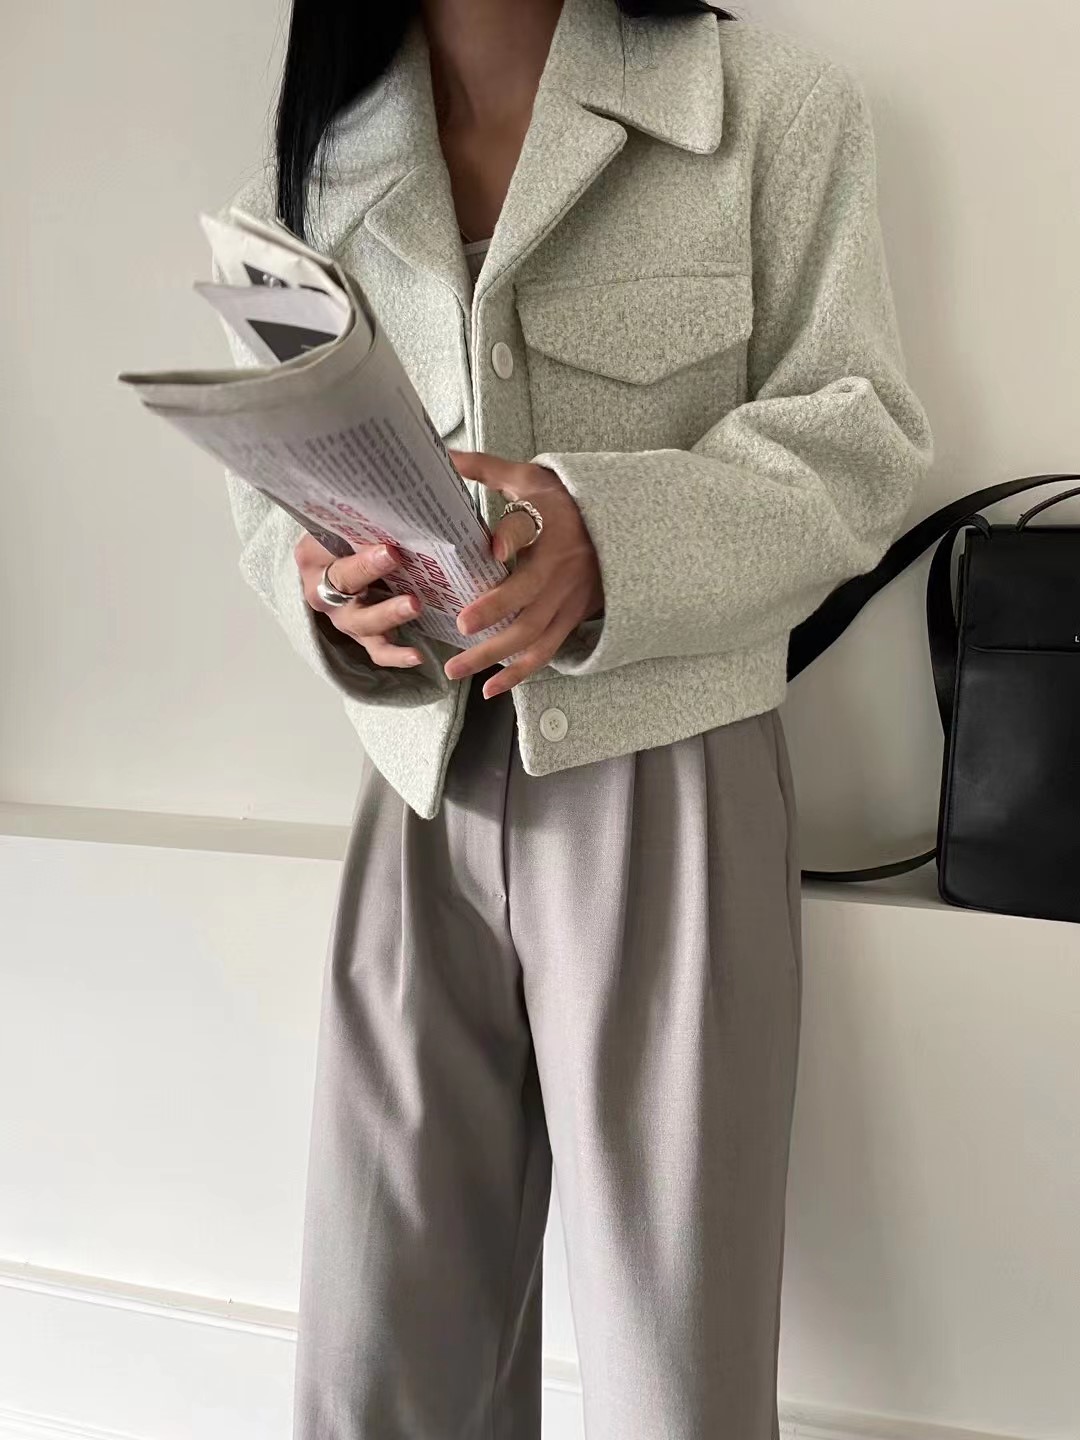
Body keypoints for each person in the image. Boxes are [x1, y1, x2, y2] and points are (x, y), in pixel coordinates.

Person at [220, 0, 933, 1434]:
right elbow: (267, 504)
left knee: (675, 1374)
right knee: (378, 1366)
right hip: (417, 790)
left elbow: (861, 442)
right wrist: (324, 592)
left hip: (669, 783)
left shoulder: (763, 111)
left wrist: (607, 536)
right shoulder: (308, 176)